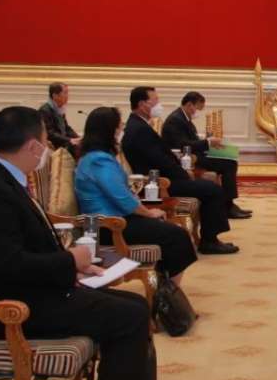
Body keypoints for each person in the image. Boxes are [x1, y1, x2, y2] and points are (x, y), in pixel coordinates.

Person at [0, 106, 176, 380]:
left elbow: (23, 252)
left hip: (34, 291)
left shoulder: (3, 180)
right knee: (129, 316)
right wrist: (70, 261)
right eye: (45, 143)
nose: (47, 149)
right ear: (32, 147)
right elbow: (7, 265)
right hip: (13, 309)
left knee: (134, 305)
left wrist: (72, 269)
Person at [74, 106, 198, 283]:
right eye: (119, 126)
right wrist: (148, 213)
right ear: (109, 130)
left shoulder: (96, 157)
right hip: (109, 226)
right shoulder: (98, 161)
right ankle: (171, 293)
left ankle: (165, 286)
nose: (121, 130)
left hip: (119, 219)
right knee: (177, 236)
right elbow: (121, 197)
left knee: (170, 232)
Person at [121, 87, 238, 255]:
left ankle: (210, 238)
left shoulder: (139, 125)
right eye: (155, 101)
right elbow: (160, 160)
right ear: (142, 104)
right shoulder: (139, 129)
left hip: (163, 176)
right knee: (213, 190)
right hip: (159, 183)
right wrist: (183, 174)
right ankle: (209, 241)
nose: (159, 105)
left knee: (209, 186)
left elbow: (161, 156)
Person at [161, 91, 251, 218]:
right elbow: (181, 144)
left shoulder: (182, 117)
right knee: (229, 164)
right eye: (198, 108)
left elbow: (191, 140)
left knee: (230, 159)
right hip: (186, 158)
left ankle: (229, 204)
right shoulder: (175, 120)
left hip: (194, 155)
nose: (198, 112)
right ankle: (228, 206)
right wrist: (208, 142)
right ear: (189, 105)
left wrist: (208, 142)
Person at [39, 82, 81, 155]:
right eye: (65, 93)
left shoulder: (59, 108)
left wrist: (77, 138)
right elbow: (50, 134)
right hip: (54, 146)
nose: (67, 96)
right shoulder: (45, 111)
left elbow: (66, 128)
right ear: (55, 96)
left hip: (62, 143)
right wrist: (70, 140)